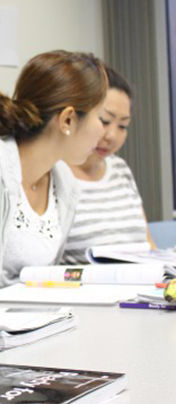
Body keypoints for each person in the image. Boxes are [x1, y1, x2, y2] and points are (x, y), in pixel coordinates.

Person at [0, 50, 107, 293]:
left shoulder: (64, 184)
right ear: (67, 120)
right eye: (101, 118)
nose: (103, 132)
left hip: (35, 325)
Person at [61, 66, 156, 263]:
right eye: (104, 121)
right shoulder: (54, 173)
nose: (111, 136)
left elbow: (149, 245)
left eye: (123, 126)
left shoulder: (119, 168)